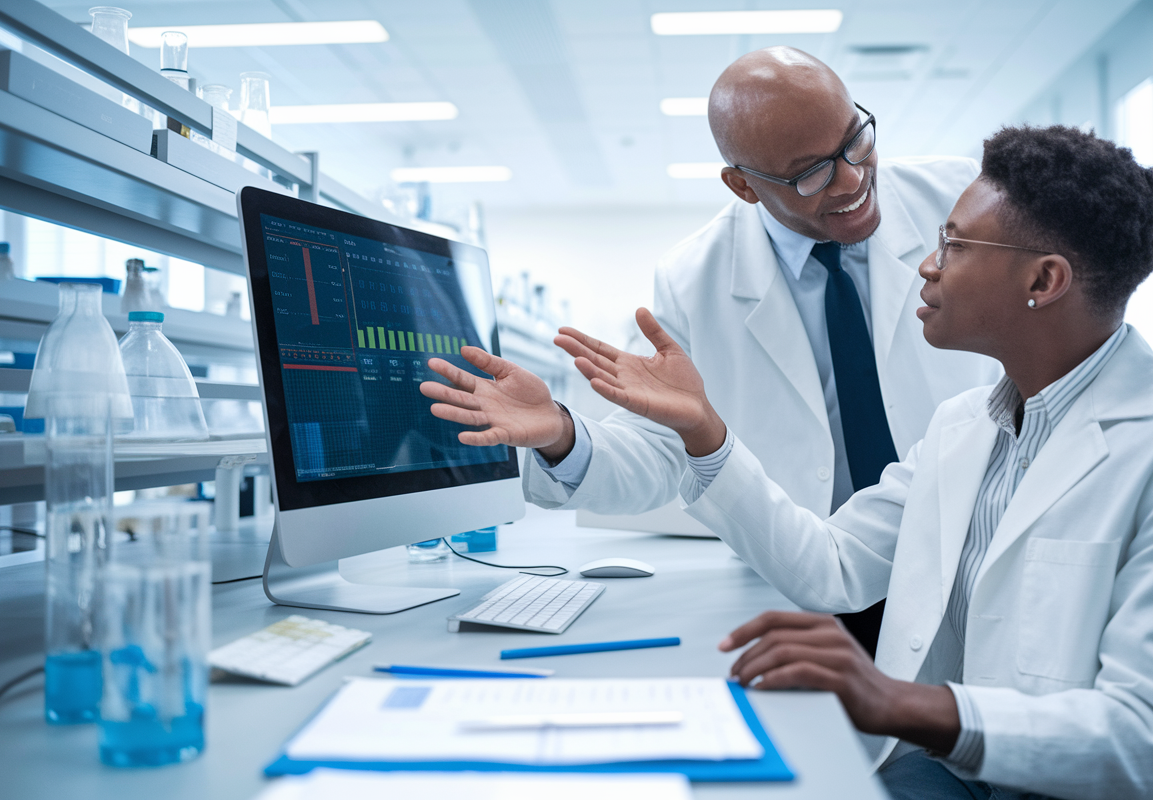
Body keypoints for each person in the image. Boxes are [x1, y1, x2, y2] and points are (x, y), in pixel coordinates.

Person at [515, 126, 1153, 799]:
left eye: (955, 247)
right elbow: (829, 566)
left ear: (1044, 282)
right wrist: (705, 430)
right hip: (950, 773)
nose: (926, 266)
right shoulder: (965, 428)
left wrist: (899, 701)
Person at [420, 46, 1000, 655]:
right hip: (800, 572)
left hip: (966, 550)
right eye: (812, 172)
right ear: (743, 185)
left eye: (856, 139)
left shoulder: (958, 199)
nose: (854, 178)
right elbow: (661, 451)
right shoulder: (694, 277)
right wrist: (562, 435)